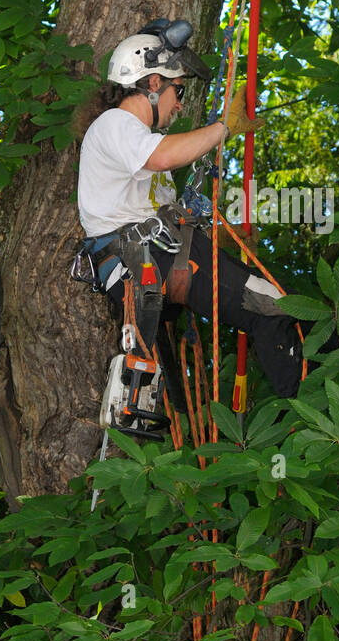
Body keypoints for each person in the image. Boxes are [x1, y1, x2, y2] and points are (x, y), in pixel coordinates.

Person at [74, 23, 314, 405]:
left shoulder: (139, 147)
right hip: (145, 262)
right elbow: (165, 154)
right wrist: (225, 128)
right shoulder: (115, 125)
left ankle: (304, 409)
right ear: (153, 83)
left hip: (155, 261)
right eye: (178, 90)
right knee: (279, 309)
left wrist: (218, 236)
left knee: (280, 305)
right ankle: (312, 415)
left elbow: (168, 216)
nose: (180, 103)